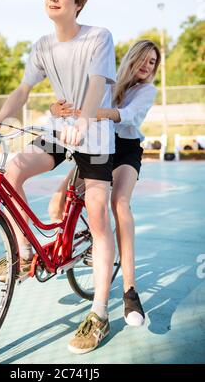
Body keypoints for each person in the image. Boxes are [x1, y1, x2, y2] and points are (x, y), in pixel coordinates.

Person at [0, 0, 117, 354]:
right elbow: (23, 90)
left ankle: (100, 313)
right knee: (12, 169)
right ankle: (23, 254)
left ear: (78, 4)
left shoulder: (98, 36)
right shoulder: (41, 45)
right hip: (59, 129)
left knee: (98, 212)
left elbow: (95, 84)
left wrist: (85, 122)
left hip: (95, 135)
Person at [48, 39, 161, 327]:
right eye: (144, 59)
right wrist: (57, 108)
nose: (147, 66)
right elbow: (77, 103)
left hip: (125, 149)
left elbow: (128, 116)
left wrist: (92, 113)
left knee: (119, 203)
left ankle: (129, 291)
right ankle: (81, 248)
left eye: (153, 62)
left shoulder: (148, 90)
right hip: (98, 146)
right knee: (59, 203)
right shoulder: (108, 83)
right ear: (132, 59)